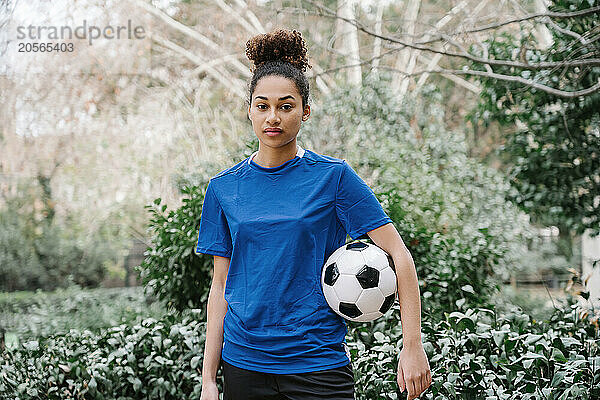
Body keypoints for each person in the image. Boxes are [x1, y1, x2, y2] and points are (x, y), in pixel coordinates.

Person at [196, 28, 431, 400]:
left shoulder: (334, 177)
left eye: (286, 106)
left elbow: (399, 254)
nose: (273, 117)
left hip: (316, 362)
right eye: (263, 105)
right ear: (250, 110)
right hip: (243, 363)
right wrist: (209, 378)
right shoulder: (223, 188)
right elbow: (221, 286)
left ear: (305, 110)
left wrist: (412, 345)